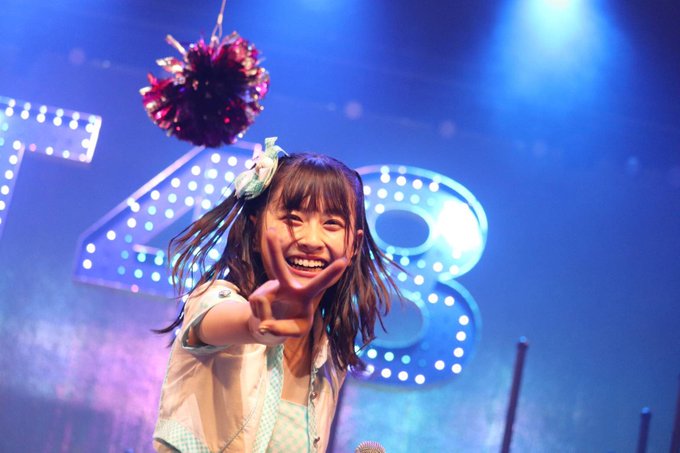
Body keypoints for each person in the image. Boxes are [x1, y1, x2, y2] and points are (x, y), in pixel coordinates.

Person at [153, 137, 399, 452]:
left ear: (354, 245)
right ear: (256, 228)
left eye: (331, 223)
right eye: (292, 219)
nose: (311, 240)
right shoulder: (215, 299)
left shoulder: (330, 357)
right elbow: (224, 321)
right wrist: (255, 324)